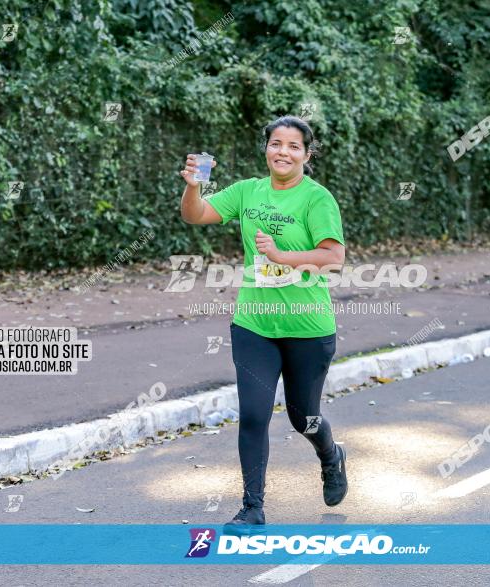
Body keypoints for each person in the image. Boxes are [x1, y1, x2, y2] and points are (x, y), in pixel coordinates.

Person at [179, 115, 348, 533]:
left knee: (302, 418)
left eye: (293, 146)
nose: (283, 152)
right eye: (276, 143)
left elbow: (334, 258)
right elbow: (196, 215)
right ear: (266, 149)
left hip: (308, 328)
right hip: (254, 324)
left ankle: (330, 455)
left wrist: (281, 256)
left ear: (307, 155)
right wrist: (193, 184)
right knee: (254, 415)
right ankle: (252, 508)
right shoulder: (248, 192)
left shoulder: (317, 198)